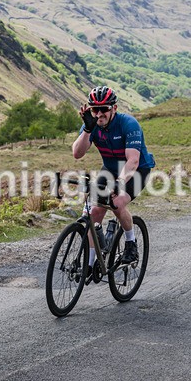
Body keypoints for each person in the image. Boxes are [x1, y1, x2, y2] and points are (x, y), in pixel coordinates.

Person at [73, 86, 156, 269]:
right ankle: (91, 263)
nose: (99, 113)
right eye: (95, 109)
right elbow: (77, 154)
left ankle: (131, 244)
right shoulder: (91, 124)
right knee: (93, 213)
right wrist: (87, 129)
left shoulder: (129, 124)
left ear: (115, 109)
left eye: (105, 109)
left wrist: (119, 183)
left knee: (116, 202)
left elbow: (133, 161)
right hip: (109, 169)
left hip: (137, 169)